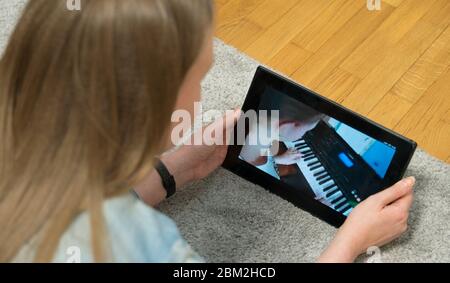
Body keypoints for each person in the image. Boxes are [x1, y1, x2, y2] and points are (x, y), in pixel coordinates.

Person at [0, 0, 415, 263]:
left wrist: (174, 170)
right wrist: (350, 242)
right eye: (202, 74)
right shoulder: (144, 243)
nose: (202, 92)